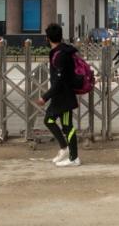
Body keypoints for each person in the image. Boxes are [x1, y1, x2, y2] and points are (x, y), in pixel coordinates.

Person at [35, 23, 81, 168]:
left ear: (47, 38)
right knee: (49, 120)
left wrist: (45, 96)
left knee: (68, 127)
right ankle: (64, 149)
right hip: (59, 97)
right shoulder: (59, 52)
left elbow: (60, 80)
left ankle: (74, 158)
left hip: (64, 97)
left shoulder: (61, 55)